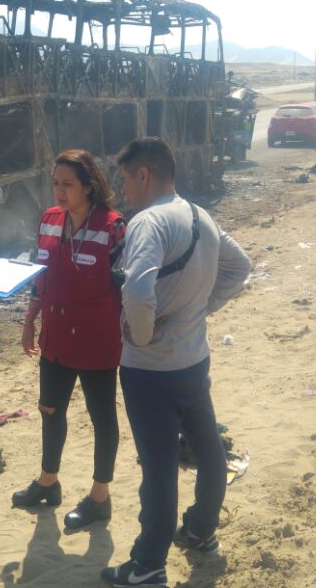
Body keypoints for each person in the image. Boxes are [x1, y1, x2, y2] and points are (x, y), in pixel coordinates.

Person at [100, 138, 252, 588]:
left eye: (126, 178)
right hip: (192, 359)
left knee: (160, 466)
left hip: (150, 369)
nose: (124, 189)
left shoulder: (147, 222)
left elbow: (136, 291)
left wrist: (141, 335)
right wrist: (200, 311)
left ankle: (147, 564)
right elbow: (240, 267)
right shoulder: (199, 215)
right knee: (207, 450)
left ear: (144, 174)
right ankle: (202, 530)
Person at [12, 149, 126, 532]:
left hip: (97, 340)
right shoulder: (48, 221)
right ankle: (48, 482)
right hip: (56, 337)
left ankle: (99, 498)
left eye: (67, 185)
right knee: (50, 410)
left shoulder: (113, 227)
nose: (59, 192)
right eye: (55, 184)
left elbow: (128, 288)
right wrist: (30, 320)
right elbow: (40, 278)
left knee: (101, 417)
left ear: (89, 186)